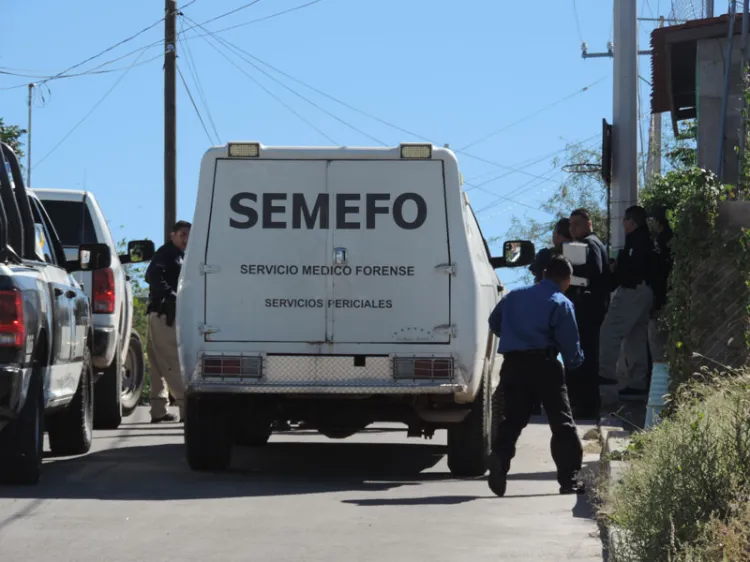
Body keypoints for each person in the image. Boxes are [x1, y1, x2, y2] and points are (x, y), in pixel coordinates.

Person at [487, 255, 586, 497]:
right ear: (568, 280)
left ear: (543, 274)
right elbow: (570, 345)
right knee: (561, 423)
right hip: (545, 365)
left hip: (513, 364)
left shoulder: (513, 296)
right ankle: (569, 479)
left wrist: (514, 338)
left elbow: (494, 321)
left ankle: (500, 458)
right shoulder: (561, 303)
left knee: (513, 419)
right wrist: (574, 363)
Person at [599, 206, 655, 401]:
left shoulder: (636, 242)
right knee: (635, 337)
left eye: (625, 220)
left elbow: (631, 268)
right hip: (645, 291)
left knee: (609, 330)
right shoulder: (647, 240)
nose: (623, 224)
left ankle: (605, 375)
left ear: (631, 222)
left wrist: (616, 270)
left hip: (632, 290)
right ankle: (637, 383)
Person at [145, 220, 191, 423]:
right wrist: (170, 295)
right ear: (172, 235)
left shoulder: (183, 255)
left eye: (189, 235)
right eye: (182, 234)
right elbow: (152, 276)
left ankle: (158, 409)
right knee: (170, 361)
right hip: (163, 315)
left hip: (161, 314)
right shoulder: (167, 253)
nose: (186, 239)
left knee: (156, 362)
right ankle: (187, 407)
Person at [567, 208, 611, 419]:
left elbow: (596, 271)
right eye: (571, 224)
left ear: (589, 224)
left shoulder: (590, 244)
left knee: (586, 358)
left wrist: (572, 275)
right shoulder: (590, 243)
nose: (573, 228)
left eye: (577, 223)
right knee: (585, 356)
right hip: (588, 310)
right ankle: (584, 404)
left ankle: (586, 406)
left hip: (588, 310)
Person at [647, 205, 673, 385]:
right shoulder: (674, 240)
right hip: (670, 298)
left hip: (661, 301)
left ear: (658, 222)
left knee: (657, 342)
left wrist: (657, 302)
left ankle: (660, 383)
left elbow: (658, 275)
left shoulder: (660, 244)